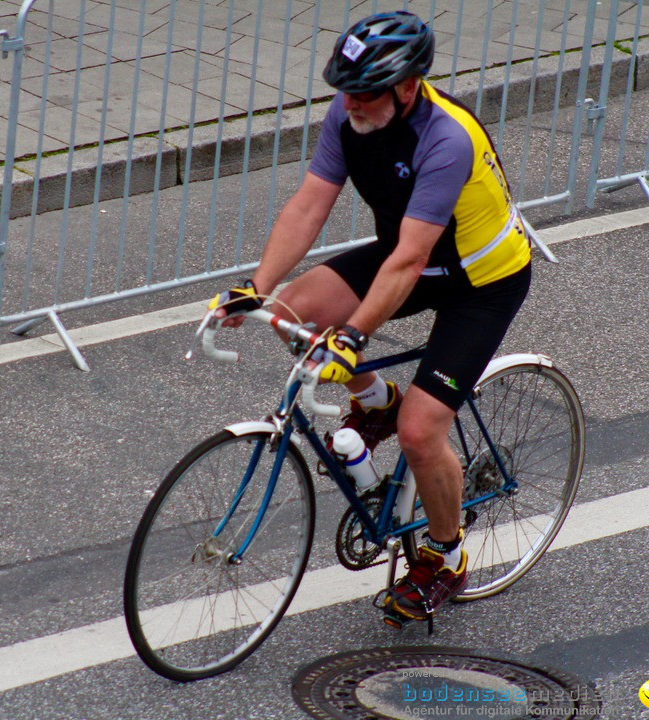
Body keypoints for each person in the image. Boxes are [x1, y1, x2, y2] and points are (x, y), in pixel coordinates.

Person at [208, 10, 532, 625]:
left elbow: (409, 260)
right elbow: (309, 204)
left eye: (364, 92)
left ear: (407, 86)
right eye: (345, 90)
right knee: (290, 313)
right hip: (408, 256)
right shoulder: (349, 115)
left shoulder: (446, 139)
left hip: (478, 283)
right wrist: (256, 286)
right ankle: (377, 399)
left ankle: (445, 555)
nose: (350, 103)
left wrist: (354, 336)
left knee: (419, 433)